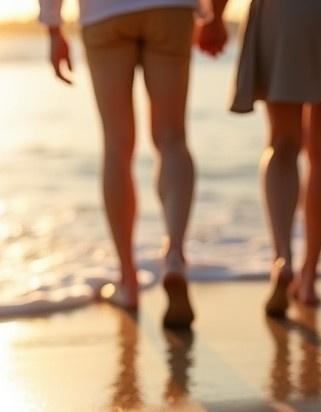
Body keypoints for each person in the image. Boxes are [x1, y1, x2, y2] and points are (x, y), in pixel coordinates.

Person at [198, 0, 321, 316]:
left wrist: (215, 15)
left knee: (283, 144)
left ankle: (283, 260)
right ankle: (309, 277)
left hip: (290, 12)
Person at [40, 0, 208, 328]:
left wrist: (53, 27)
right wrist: (210, 13)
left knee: (117, 147)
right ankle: (174, 255)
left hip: (104, 13)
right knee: (172, 138)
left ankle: (128, 281)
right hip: (170, 9)